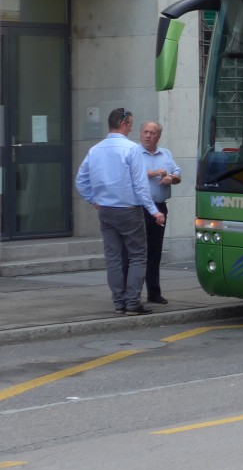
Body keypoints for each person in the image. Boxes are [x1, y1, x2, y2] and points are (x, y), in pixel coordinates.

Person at [74, 107, 165, 315]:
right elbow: (140, 185)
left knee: (113, 257)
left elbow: (81, 180)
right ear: (123, 124)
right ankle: (133, 302)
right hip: (128, 210)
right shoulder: (131, 149)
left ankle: (119, 302)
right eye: (131, 125)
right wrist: (154, 211)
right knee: (137, 255)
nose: (132, 130)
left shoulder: (95, 149)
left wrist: (93, 199)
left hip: (105, 209)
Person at [136, 120, 181, 305]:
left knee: (155, 251)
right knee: (138, 252)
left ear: (158, 136)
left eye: (152, 133)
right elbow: (130, 175)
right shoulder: (134, 153)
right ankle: (133, 293)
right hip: (139, 208)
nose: (148, 135)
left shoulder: (166, 154)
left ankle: (154, 292)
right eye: (145, 131)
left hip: (160, 208)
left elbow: (178, 175)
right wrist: (153, 173)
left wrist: (171, 178)